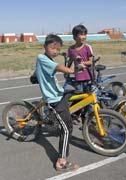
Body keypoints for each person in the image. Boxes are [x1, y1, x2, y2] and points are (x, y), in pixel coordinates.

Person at [36, 34, 80, 171]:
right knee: (66, 130)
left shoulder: (46, 58)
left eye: (58, 49)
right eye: (52, 48)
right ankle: (61, 161)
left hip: (58, 93)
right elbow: (58, 67)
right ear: (45, 47)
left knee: (75, 91)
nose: (55, 51)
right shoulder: (41, 57)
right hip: (53, 99)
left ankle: (76, 116)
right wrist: (73, 70)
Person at [67, 24, 94, 92]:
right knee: (79, 95)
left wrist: (82, 62)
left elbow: (90, 62)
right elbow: (70, 61)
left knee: (88, 96)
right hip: (78, 77)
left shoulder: (87, 47)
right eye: (81, 34)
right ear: (74, 37)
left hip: (88, 77)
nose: (84, 37)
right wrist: (66, 71)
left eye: (85, 34)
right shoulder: (71, 49)